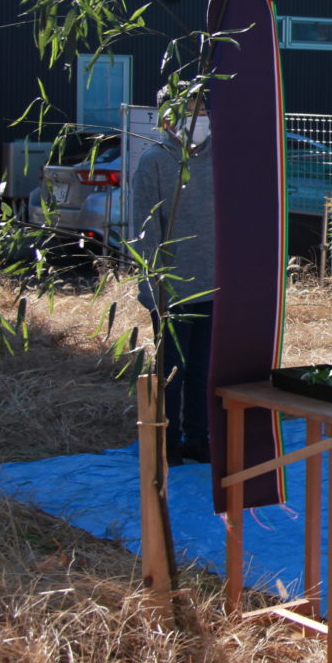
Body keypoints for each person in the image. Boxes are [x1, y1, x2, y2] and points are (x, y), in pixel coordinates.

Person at [127, 92, 216, 465]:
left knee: (203, 369)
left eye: (204, 110)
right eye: (189, 111)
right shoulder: (154, 162)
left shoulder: (221, 159)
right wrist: (154, 289)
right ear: (167, 119)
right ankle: (167, 441)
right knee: (172, 371)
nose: (198, 118)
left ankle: (198, 437)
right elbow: (147, 232)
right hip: (172, 288)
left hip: (213, 283)